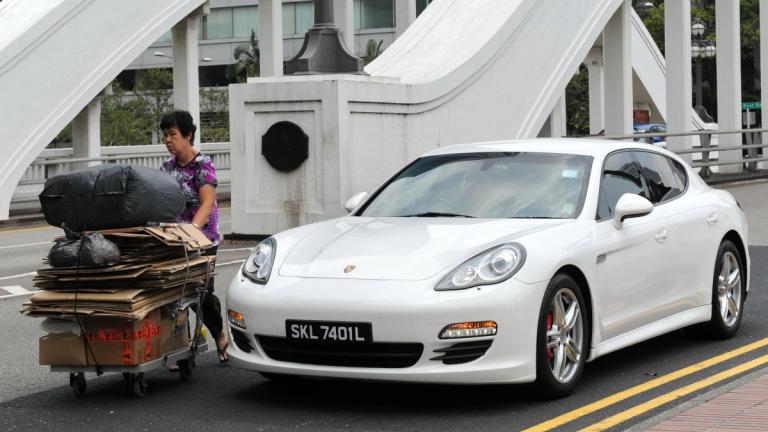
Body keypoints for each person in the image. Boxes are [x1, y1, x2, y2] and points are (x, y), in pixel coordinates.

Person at [159, 110, 228, 365]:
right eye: (165, 135)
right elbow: (162, 202)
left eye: (172, 134)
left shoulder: (203, 165)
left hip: (204, 241)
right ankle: (183, 348)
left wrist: (191, 231)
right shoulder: (166, 168)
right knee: (176, 293)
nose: (167, 139)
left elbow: (207, 203)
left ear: (188, 135)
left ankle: (219, 334)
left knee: (202, 295)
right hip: (176, 240)